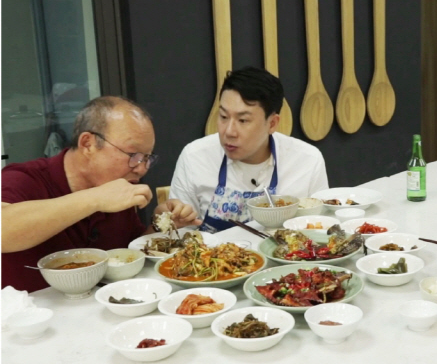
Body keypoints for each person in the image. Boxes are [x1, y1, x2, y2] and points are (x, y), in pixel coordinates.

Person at [1, 95, 199, 293]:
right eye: (133, 156)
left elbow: (127, 254)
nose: (142, 169)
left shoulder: (117, 187)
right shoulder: (23, 179)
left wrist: (159, 225)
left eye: (147, 158)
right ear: (88, 144)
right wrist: (95, 198)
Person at [170, 67, 329, 231]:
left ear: (272, 123)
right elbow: (179, 235)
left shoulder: (308, 161)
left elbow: (320, 229)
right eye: (223, 117)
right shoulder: (194, 157)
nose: (229, 132)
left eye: (243, 120)